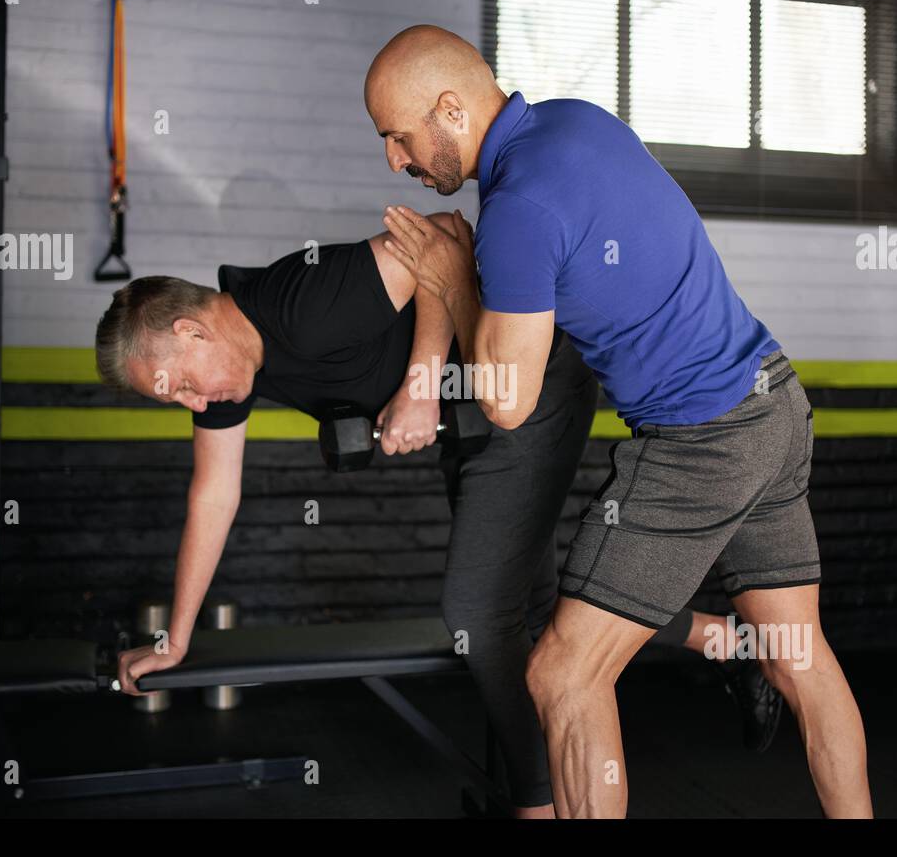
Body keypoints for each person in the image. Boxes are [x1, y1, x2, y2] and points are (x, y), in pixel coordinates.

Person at [95, 212, 784, 816]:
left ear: (190, 330)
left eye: (182, 383)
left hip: (529, 384)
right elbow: (213, 493)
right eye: (175, 399)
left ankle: (535, 803)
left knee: (479, 613)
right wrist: (174, 639)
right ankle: (726, 643)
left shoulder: (302, 300)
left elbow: (442, 237)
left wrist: (422, 386)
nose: (193, 402)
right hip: (478, 423)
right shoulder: (230, 373)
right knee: (535, 607)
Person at [366, 24, 872, 818]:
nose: (394, 158)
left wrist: (449, 274)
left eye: (397, 136)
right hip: (773, 400)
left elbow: (506, 398)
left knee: (562, 673)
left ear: (449, 109)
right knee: (797, 655)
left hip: (702, 438)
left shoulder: (517, 206)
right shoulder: (577, 119)